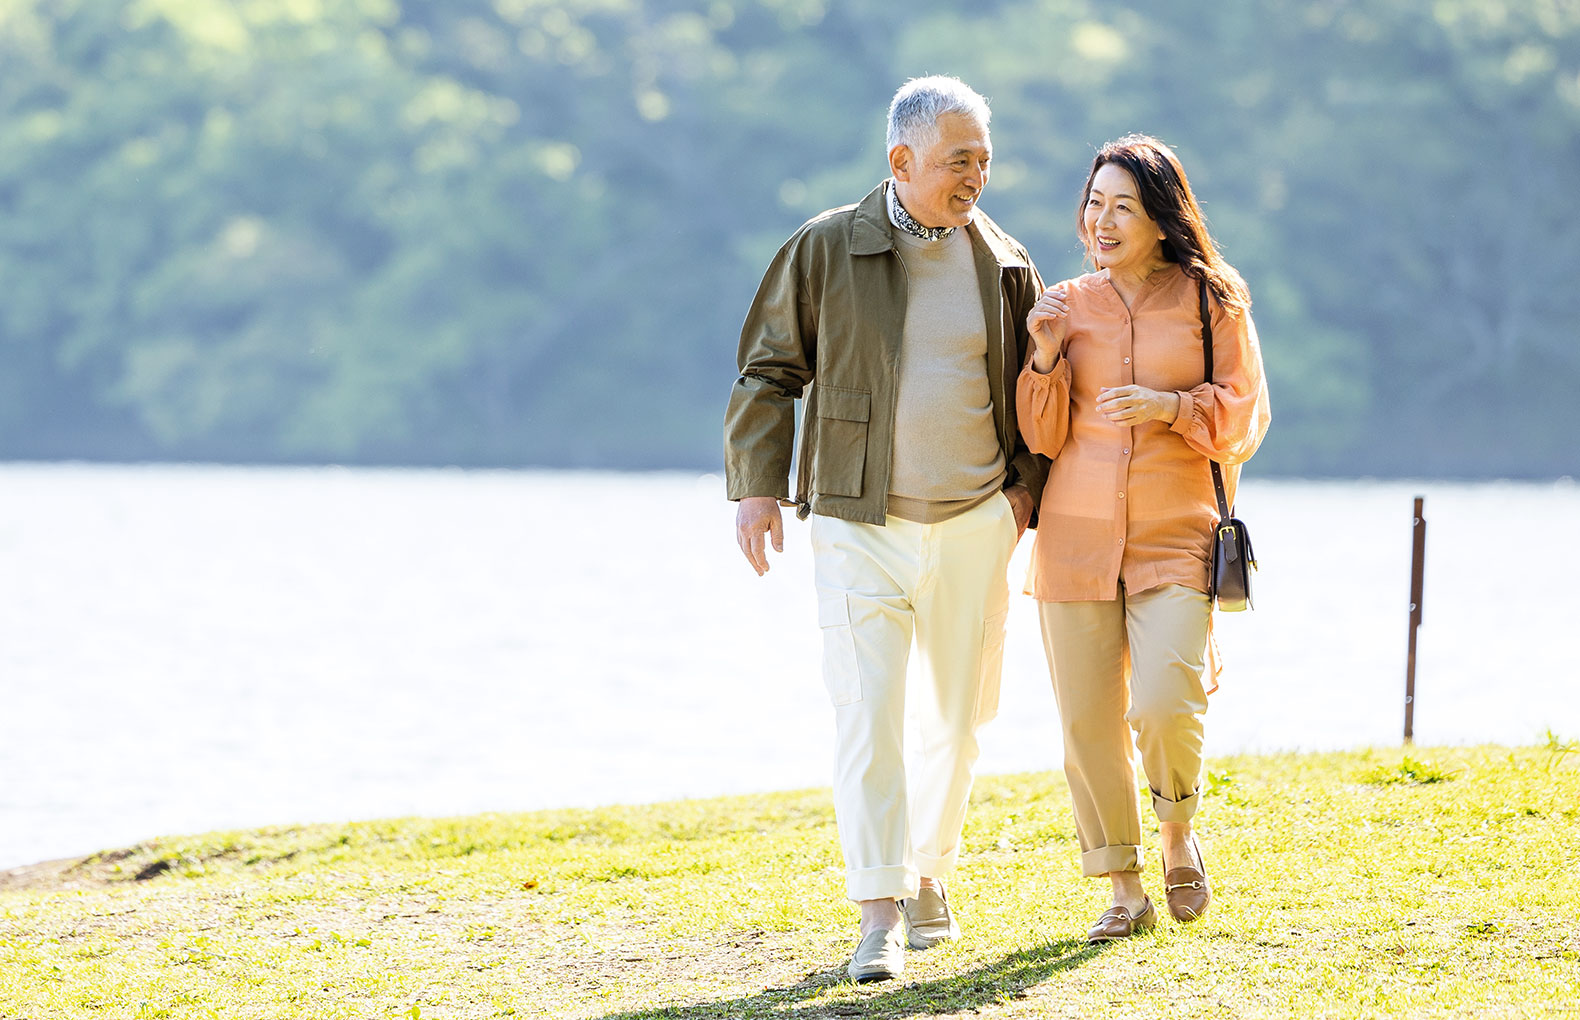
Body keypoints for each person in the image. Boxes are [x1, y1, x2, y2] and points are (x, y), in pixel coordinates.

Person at [723, 76, 1045, 983]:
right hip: (858, 523)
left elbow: (1039, 391)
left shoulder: (1007, 260)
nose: (975, 176)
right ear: (901, 160)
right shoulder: (827, 248)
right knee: (867, 715)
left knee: (957, 718)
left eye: (983, 159)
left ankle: (930, 872)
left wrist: (1021, 496)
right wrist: (756, 490)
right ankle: (879, 912)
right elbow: (767, 371)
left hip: (978, 522)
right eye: (957, 161)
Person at [1017, 134, 1270, 943]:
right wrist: (1047, 356)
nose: (1103, 220)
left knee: (1166, 701)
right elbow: (1040, 434)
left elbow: (1246, 415)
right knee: (1087, 724)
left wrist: (1170, 409)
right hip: (1074, 542)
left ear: (1161, 216)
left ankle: (1176, 830)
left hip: (1176, 535)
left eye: (1123, 205)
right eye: (1095, 203)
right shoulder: (1065, 303)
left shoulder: (1214, 299)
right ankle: (1122, 887)